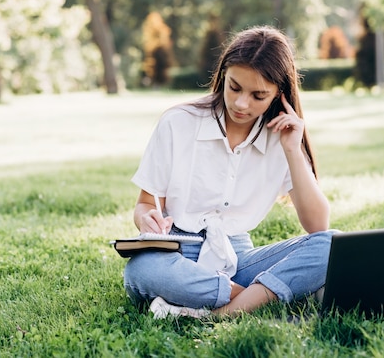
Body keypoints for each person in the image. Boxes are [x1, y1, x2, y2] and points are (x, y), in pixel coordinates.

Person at [123, 25, 335, 318]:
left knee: (331, 245)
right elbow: (145, 204)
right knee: (143, 269)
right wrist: (147, 219)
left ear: (279, 95)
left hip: (237, 258)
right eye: (234, 87)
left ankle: (219, 312)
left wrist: (292, 150)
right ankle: (252, 300)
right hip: (176, 254)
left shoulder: (282, 138)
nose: (241, 103)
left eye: (258, 95)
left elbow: (318, 226)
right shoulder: (178, 122)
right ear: (223, 74)